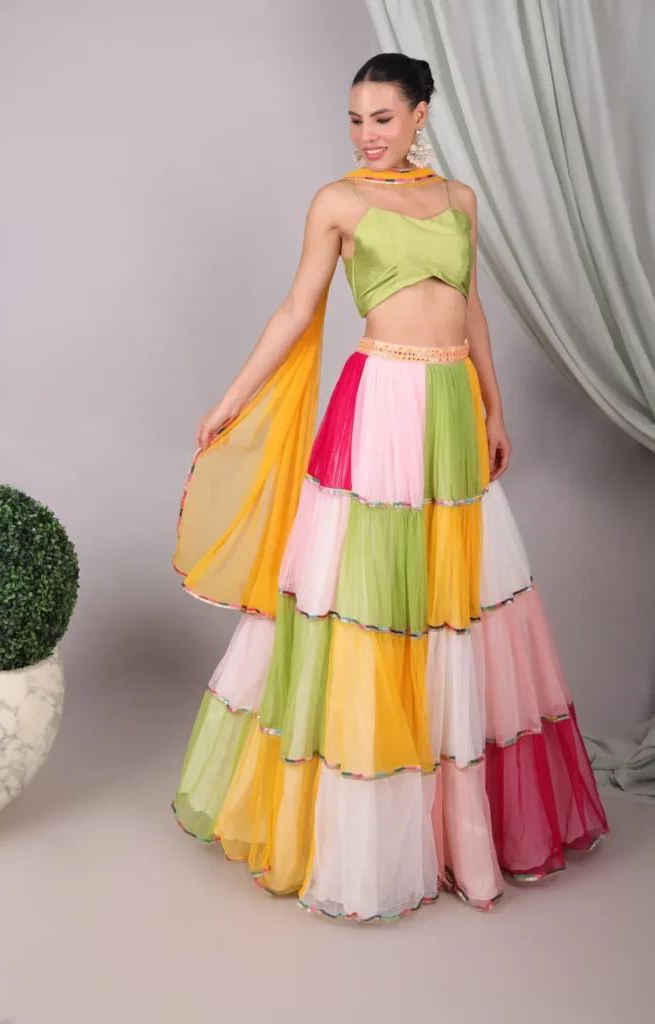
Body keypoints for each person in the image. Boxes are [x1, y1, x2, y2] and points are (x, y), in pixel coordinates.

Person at [171, 53, 609, 922]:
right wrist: (230, 400)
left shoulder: (459, 201)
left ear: (419, 116)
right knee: (369, 598)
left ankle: (457, 833)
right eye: (355, 119)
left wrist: (492, 407)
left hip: (450, 405)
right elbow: (296, 311)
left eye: (381, 118)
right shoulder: (337, 202)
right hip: (380, 405)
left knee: (450, 601)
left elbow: (470, 309)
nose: (366, 135)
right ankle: (365, 841)